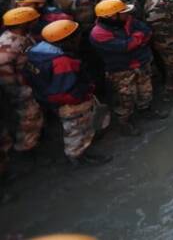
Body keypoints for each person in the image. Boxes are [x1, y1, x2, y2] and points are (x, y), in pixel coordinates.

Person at [25, 20, 111, 165]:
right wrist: (83, 94)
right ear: (67, 39)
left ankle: (79, 151)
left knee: (74, 128)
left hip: (49, 99)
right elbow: (64, 89)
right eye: (75, 36)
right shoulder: (62, 61)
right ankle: (78, 156)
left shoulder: (36, 52)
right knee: (75, 130)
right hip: (71, 103)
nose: (78, 39)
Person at [89, 0, 161, 135]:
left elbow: (147, 31)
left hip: (141, 63)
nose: (127, 14)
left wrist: (135, 40)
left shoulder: (127, 20)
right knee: (125, 98)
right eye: (123, 13)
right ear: (111, 16)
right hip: (121, 70)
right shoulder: (98, 33)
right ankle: (125, 123)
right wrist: (137, 39)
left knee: (145, 90)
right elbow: (125, 47)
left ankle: (145, 109)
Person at [0, 7, 44, 153]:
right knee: (29, 118)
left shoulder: (23, 36)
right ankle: (27, 148)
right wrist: (22, 94)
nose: (36, 22)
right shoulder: (7, 49)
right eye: (33, 20)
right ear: (23, 23)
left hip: (30, 81)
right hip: (20, 90)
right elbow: (7, 80)